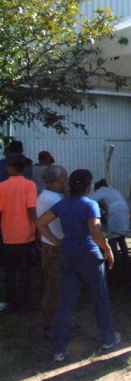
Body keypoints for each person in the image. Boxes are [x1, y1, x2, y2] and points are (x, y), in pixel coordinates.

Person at [37, 169, 120, 363]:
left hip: (67, 255)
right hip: (89, 256)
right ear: (89, 186)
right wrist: (107, 249)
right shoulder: (91, 205)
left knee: (66, 302)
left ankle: (59, 349)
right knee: (99, 297)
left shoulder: (61, 204)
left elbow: (40, 223)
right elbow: (96, 232)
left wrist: (57, 241)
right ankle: (108, 337)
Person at [0, 153, 38, 312]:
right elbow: (31, 209)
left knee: (9, 271)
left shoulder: (2, 186)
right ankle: (25, 301)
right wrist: (37, 227)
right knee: (25, 270)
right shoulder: (30, 185)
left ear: (10, 167)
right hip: (26, 235)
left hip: (8, 235)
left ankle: (10, 300)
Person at [36, 165, 68, 338]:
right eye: (65, 178)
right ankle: (49, 326)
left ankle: (59, 323)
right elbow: (41, 223)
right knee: (54, 288)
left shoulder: (48, 195)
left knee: (59, 287)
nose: (67, 182)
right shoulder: (53, 199)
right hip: (54, 248)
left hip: (51, 245)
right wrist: (56, 241)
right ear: (57, 181)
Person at [90, 179, 130, 270]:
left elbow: (91, 199)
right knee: (121, 238)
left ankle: (115, 265)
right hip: (125, 211)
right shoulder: (113, 190)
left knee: (112, 239)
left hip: (115, 213)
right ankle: (127, 262)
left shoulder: (102, 190)